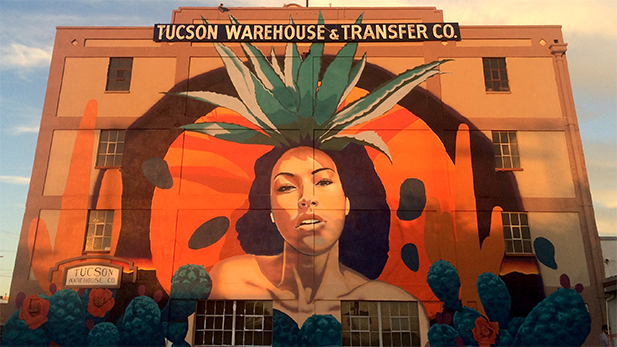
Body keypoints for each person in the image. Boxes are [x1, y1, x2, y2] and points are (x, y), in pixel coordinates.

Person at [208, 144, 429, 333]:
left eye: (323, 182)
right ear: (272, 214)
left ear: (347, 203)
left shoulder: (388, 305)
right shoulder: (230, 282)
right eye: (286, 187)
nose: (306, 199)